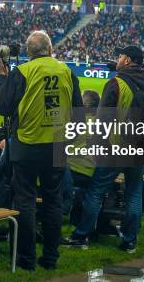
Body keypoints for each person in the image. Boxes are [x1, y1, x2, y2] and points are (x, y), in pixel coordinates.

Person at [0, 30, 83, 271]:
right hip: (57, 145)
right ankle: (51, 258)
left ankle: (26, 260)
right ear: (50, 50)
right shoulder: (67, 71)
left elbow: (1, 106)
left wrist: (2, 79)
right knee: (53, 201)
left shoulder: (22, 72)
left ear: (29, 52)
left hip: (27, 145)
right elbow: (78, 112)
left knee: (26, 201)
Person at [63, 46, 144, 253]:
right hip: (140, 149)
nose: (118, 58)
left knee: (96, 192)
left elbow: (102, 120)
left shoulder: (116, 84)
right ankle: (129, 240)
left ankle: (82, 235)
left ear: (127, 60)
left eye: (120, 56)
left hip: (116, 149)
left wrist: (96, 147)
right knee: (134, 194)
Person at [63, 89, 99, 217]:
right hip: (94, 173)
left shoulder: (75, 123)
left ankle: (62, 208)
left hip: (74, 171)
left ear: (84, 105)